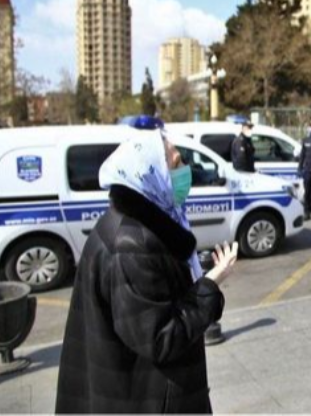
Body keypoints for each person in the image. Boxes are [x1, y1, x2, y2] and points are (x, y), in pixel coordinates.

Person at [55, 129, 237, 414]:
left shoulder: (139, 224)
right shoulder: (132, 246)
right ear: (149, 175)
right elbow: (161, 339)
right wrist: (210, 286)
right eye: (175, 163)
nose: (185, 171)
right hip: (149, 399)